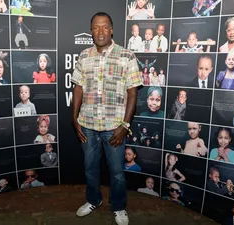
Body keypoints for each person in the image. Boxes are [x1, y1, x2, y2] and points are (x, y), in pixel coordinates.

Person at [71, 12, 142, 225]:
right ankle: (94, 200)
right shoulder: (84, 56)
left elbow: (133, 92)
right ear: (91, 31)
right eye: (96, 27)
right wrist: (74, 119)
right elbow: (78, 88)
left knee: (117, 171)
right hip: (88, 124)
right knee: (90, 168)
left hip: (114, 126)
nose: (100, 31)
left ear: (111, 30)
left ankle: (118, 207)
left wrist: (124, 125)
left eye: (104, 27)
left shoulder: (127, 56)